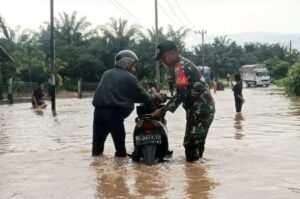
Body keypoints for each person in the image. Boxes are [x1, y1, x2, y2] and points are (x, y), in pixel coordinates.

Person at [92, 50, 165, 157]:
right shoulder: (129, 77)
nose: (134, 69)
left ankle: (99, 170)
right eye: (134, 65)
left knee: (97, 151)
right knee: (120, 151)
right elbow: (143, 96)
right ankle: (120, 169)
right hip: (114, 116)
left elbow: (117, 94)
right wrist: (155, 96)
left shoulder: (106, 74)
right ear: (127, 63)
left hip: (98, 114)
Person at [156, 40, 215, 162]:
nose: (163, 62)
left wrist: (162, 111)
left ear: (172, 54)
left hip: (200, 109)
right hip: (202, 109)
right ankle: (199, 176)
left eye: (163, 58)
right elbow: (184, 91)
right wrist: (167, 99)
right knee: (196, 144)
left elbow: (181, 94)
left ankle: (194, 176)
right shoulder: (182, 64)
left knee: (190, 145)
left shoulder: (180, 67)